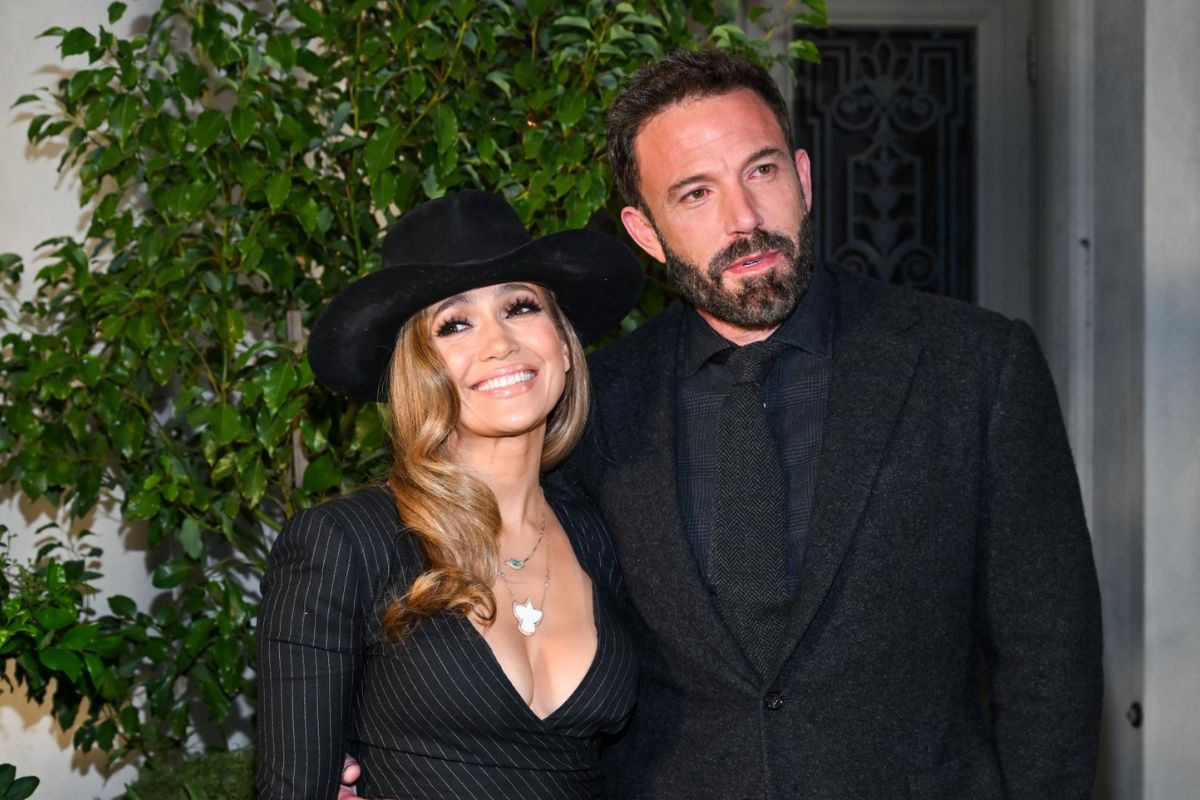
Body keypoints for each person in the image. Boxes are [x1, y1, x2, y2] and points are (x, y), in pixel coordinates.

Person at [558, 49, 1101, 798]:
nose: (745, 219)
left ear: (804, 177)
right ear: (646, 232)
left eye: (762, 171)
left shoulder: (975, 365)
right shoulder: (596, 404)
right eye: (695, 193)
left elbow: (1052, 654)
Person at [255, 191, 642, 799]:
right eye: (455, 324)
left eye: (520, 307)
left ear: (565, 347)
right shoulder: (346, 544)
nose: (499, 343)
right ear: (417, 370)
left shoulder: (598, 532)